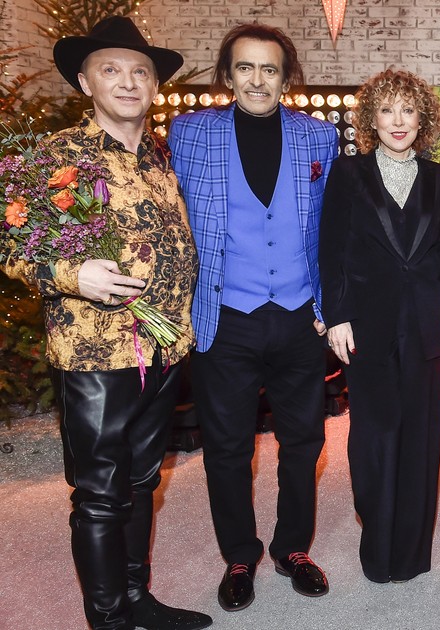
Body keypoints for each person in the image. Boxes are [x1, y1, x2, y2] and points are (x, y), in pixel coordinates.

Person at [0, 16, 212, 630]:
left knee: (143, 482)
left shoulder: (160, 158)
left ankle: (137, 598)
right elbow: (11, 244)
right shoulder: (56, 156)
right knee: (99, 492)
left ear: (154, 86)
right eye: (111, 70)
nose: (127, 82)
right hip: (94, 351)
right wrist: (74, 274)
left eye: (140, 72)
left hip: (164, 346)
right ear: (84, 83)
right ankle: (108, 618)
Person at [168, 23, 339, 612]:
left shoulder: (319, 136)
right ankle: (239, 555)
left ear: (287, 78)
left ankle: (293, 548)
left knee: (304, 441)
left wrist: (330, 306)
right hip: (225, 315)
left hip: (299, 316)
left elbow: (334, 225)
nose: (257, 80)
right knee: (227, 447)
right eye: (245, 67)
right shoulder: (188, 133)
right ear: (228, 74)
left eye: (270, 69)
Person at [318, 68, 440, 583]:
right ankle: (377, 546)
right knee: (374, 436)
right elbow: (333, 247)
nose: (398, 120)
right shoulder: (349, 173)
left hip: (424, 323)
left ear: (422, 118)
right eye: (387, 110)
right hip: (368, 323)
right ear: (372, 119)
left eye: (408, 110)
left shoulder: (438, 177)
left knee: (421, 438)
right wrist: (336, 315)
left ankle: (409, 554)